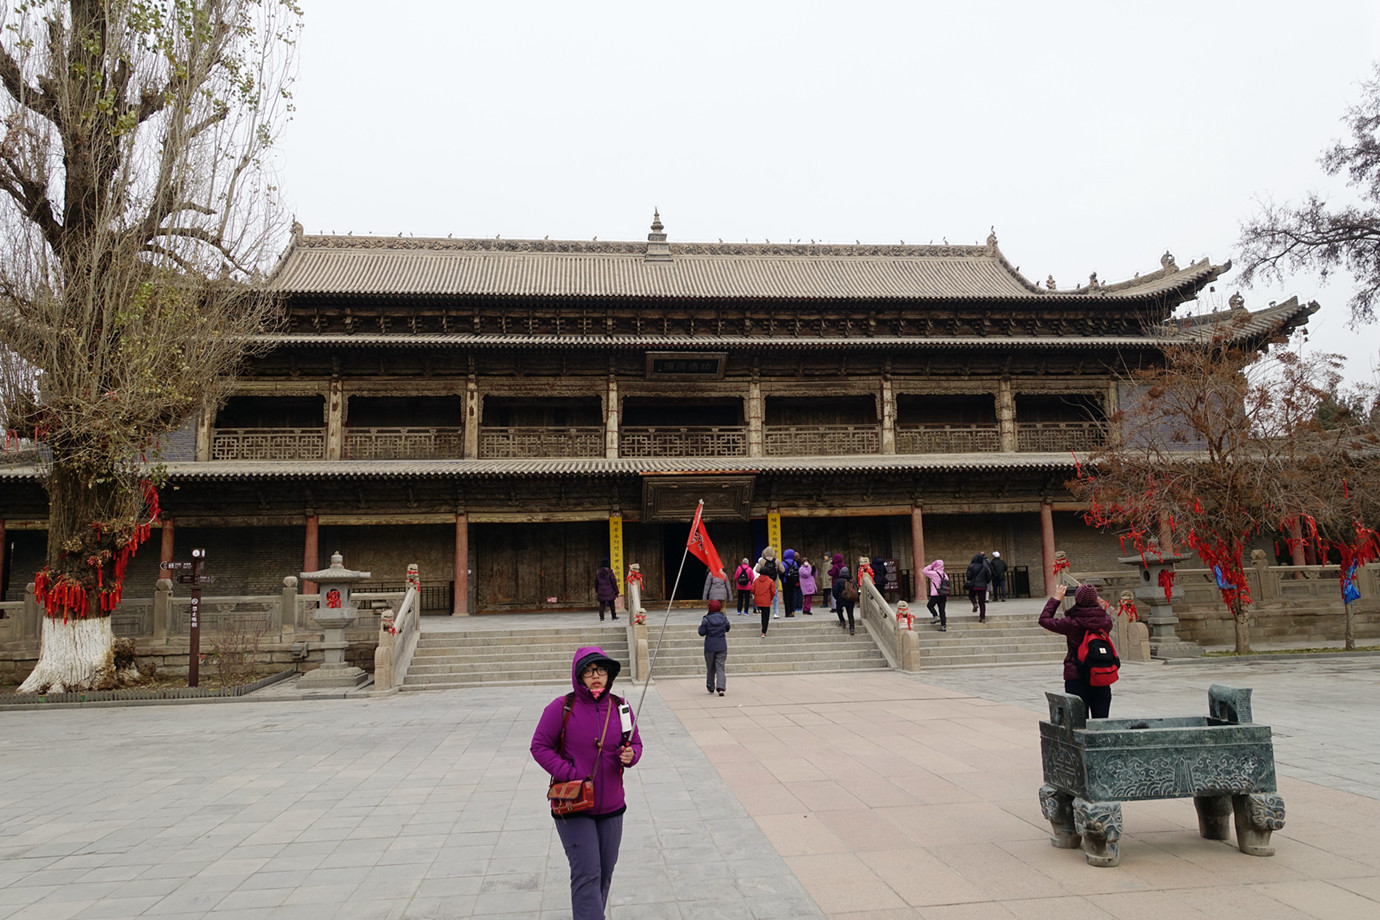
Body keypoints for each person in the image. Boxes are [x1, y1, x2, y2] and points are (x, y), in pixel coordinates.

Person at [530, 647, 643, 920]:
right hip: (574, 804)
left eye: (601, 670)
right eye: (589, 671)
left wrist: (630, 755)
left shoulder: (621, 707)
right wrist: (568, 772)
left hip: (612, 805)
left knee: (604, 873)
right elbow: (539, 746)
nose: (596, 676)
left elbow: (635, 744)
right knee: (587, 873)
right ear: (578, 675)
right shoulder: (562, 707)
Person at [1039, 583, 1114, 718]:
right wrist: (1089, 596)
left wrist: (1056, 599)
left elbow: (1044, 620)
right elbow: (1095, 613)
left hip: (1076, 677)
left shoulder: (1071, 622)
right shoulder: (1106, 621)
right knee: (1102, 724)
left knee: (1078, 725)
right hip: (1100, 674)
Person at [699, 599, 731, 695]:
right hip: (721, 645)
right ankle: (721, 687)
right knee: (720, 667)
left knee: (710, 668)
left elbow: (701, 632)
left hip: (710, 646)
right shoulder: (724, 618)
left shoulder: (706, 619)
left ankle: (710, 686)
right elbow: (728, 628)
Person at [755, 546, 782, 619]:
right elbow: (782, 570)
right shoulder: (777, 561)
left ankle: (766, 612)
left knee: (765, 597)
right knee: (775, 597)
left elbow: (757, 570)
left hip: (764, 583)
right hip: (774, 581)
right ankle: (776, 613)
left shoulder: (762, 561)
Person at [964, 552, 992, 622]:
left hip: (974, 585)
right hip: (983, 586)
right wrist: (985, 582)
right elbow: (988, 577)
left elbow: (968, 576)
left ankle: (974, 603)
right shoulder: (984, 567)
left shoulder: (971, 566)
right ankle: (982, 617)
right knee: (982, 603)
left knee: (971, 595)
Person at [922, 558, 948, 631]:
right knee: (942, 610)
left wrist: (931, 565)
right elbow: (947, 585)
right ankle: (943, 626)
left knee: (929, 605)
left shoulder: (934, 573)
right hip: (943, 595)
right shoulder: (945, 575)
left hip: (935, 594)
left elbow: (924, 571)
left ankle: (935, 616)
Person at [751, 566, 777, 638]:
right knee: (766, 616)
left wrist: (756, 596)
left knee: (762, 614)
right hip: (766, 601)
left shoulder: (756, 580)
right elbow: (773, 592)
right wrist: (770, 598)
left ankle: (763, 627)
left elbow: (752, 589)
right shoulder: (770, 581)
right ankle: (763, 631)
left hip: (758, 600)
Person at [833, 558, 855, 634]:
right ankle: (852, 628)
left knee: (839, 610)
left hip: (840, 599)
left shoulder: (838, 581)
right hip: (850, 599)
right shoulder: (851, 581)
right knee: (850, 614)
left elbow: (834, 591)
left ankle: (842, 621)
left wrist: (837, 597)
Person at [780, 548, 800, 616]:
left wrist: (782, 579)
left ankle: (788, 612)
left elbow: (781, 572)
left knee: (786, 597)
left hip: (786, 581)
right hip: (793, 581)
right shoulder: (795, 563)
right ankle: (792, 611)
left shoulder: (783, 563)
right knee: (793, 596)